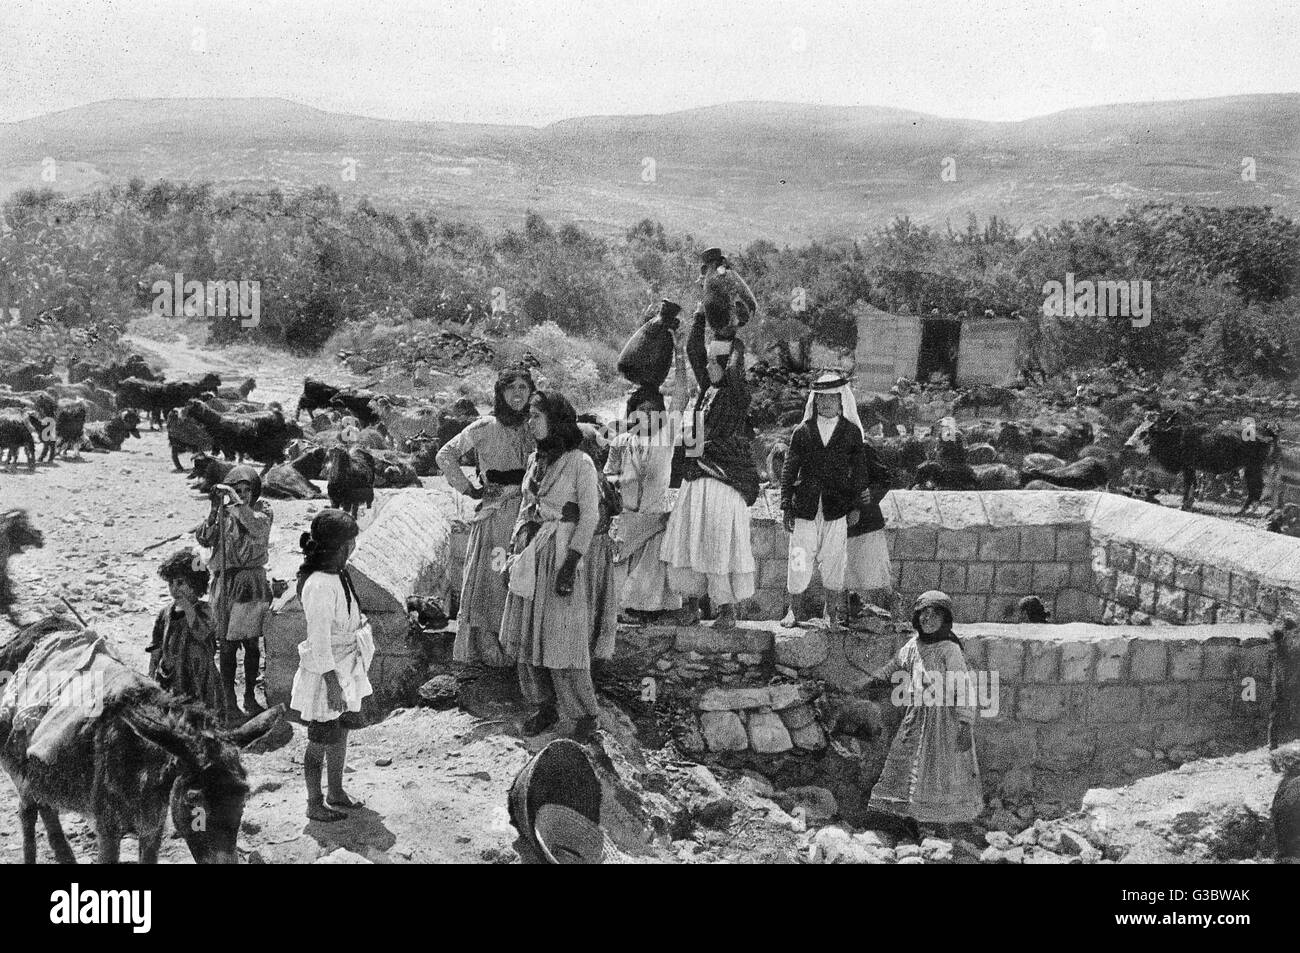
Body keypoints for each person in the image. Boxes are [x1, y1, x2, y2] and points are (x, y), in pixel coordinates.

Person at [499, 391, 605, 742]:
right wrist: (513, 555)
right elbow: (525, 508)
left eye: (537, 416)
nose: (530, 422)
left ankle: (584, 714)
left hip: (562, 554)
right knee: (529, 632)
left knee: (564, 637)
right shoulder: (535, 460)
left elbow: (589, 515)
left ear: (556, 420)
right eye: (528, 416)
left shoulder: (579, 463)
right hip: (532, 552)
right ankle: (543, 705)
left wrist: (569, 565)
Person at [661, 310, 760, 629]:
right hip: (696, 478)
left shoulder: (736, 395)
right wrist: (701, 318)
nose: (710, 367)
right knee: (690, 540)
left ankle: (726, 609)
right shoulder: (706, 392)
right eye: (709, 364)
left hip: (723, 480)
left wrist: (735, 345)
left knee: (720, 543)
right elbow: (695, 353)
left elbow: (733, 367)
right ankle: (691, 604)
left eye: (717, 363)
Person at [436, 366, 536, 674]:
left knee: (520, 577)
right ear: (500, 393)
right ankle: (490, 648)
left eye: (523, 387)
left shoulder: (535, 426)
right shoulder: (485, 426)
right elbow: (445, 455)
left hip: (527, 514)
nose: (518, 393)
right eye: (511, 388)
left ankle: (517, 646)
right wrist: (469, 489)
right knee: (494, 576)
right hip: (496, 517)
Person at [867, 590, 982, 836]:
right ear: (916, 618)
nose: (928, 620)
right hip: (917, 717)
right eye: (923, 615)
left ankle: (938, 824)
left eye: (934, 615)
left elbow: (963, 686)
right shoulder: (914, 645)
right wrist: (874, 680)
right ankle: (911, 819)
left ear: (945, 620)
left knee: (938, 768)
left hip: (945, 721)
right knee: (908, 765)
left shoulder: (949, 650)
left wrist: (964, 723)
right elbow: (894, 665)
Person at [290, 510, 374, 822]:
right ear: (339, 547)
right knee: (318, 741)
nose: (353, 548)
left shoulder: (339, 574)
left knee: (340, 732)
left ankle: (335, 791)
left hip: (346, 666)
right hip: (327, 674)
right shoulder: (319, 585)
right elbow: (319, 640)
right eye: (350, 543)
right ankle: (314, 803)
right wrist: (332, 683)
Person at [780, 372, 866, 629]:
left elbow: (859, 471)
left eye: (832, 398)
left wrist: (855, 506)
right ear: (814, 402)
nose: (826, 403)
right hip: (805, 508)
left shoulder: (850, 433)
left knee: (835, 562)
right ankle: (793, 612)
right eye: (821, 399)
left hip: (836, 509)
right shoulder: (802, 432)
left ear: (841, 401)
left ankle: (832, 615)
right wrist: (786, 504)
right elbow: (789, 469)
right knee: (798, 559)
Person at [192, 464, 273, 718]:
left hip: (249, 582)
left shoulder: (262, 510)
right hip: (224, 583)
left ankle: (249, 694)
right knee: (226, 644)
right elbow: (204, 539)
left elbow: (257, 527)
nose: (242, 494)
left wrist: (236, 502)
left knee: (250, 641)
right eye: (237, 490)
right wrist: (214, 509)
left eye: (246, 490)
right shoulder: (225, 513)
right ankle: (229, 697)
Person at [605, 389, 681, 623]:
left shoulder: (665, 439)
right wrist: (622, 482)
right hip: (627, 516)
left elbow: (681, 399)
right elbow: (609, 474)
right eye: (641, 410)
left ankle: (649, 610)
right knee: (619, 568)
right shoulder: (620, 441)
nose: (646, 416)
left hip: (654, 517)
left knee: (650, 573)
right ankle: (621, 611)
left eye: (652, 411)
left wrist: (679, 356)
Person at [147, 548, 227, 720]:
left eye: (180, 583)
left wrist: (188, 608)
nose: (174, 589)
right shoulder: (164, 614)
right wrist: (152, 675)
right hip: (171, 676)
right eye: (171, 584)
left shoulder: (205, 610)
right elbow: (157, 647)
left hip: (199, 679)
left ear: (195, 584)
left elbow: (204, 634)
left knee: (200, 722)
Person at [846, 431, 898, 623]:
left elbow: (883, 478)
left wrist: (869, 496)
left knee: (876, 578)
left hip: (867, 526)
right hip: (839, 526)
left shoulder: (863, 448)